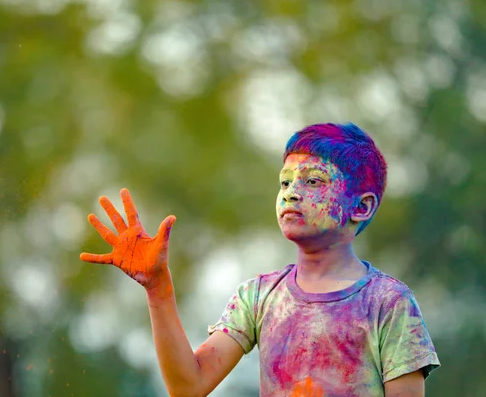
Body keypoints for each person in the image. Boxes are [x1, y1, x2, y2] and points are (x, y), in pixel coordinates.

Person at [80, 122, 440, 397]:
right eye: (285, 183)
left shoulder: (388, 303)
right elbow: (188, 385)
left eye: (313, 182)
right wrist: (158, 288)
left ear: (360, 206)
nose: (292, 194)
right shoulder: (259, 296)